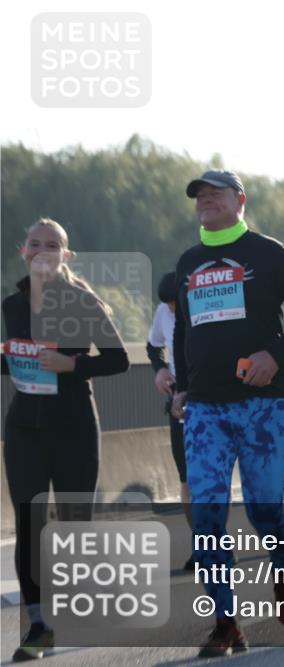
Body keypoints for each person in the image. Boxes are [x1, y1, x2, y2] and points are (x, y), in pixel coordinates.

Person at [171, 170, 284, 657]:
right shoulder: (188, 262)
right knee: (207, 516)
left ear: (241, 200)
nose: (206, 201)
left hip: (264, 405)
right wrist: (181, 386)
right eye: (200, 196)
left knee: (264, 511)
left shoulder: (267, 251)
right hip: (204, 410)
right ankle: (226, 623)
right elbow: (184, 333)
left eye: (215, 194)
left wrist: (274, 356)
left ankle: (282, 566)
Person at [2, 218, 129, 660]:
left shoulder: (82, 302)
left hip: (74, 427)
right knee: (30, 527)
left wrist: (72, 366)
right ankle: (39, 625)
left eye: (51, 244)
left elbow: (117, 361)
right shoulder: (10, 306)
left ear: (65, 255)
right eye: (35, 243)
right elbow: (9, 364)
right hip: (23, 430)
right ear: (23, 251)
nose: (42, 250)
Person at [147, 270, 196, 569]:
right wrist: (160, 369)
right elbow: (153, 346)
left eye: (174, 304)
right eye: (166, 305)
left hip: (208, 395)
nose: (170, 310)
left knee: (210, 480)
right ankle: (200, 544)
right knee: (186, 479)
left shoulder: (201, 307)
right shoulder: (163, 311)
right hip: (179, 401)